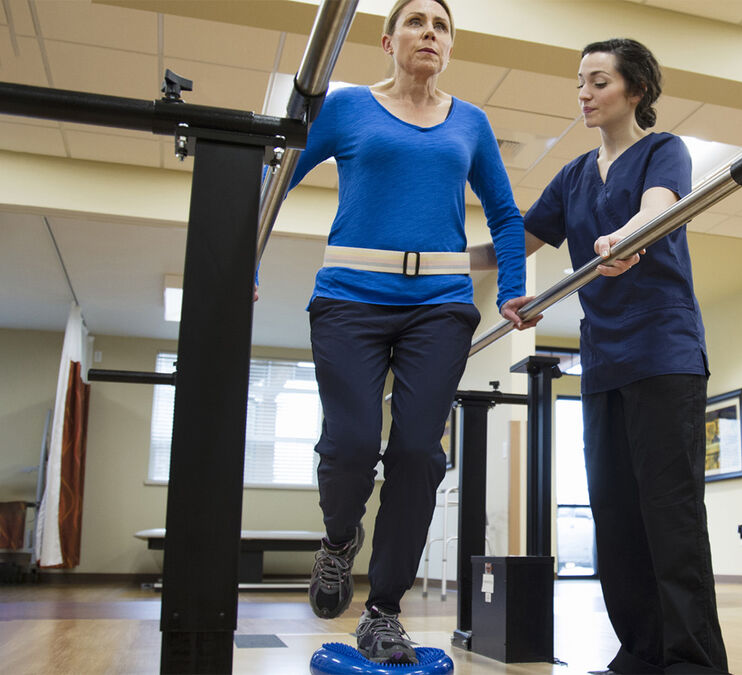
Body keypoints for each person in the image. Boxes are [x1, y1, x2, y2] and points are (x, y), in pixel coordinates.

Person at [281, 0, 536, 664]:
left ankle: (384, 611)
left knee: (420, 453)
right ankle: (339, 541)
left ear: (450, 46)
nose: (431, 32)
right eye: (418, 21)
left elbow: (507, 217)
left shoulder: (471, 123)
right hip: (348, 299)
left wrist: (510, 287)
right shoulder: (346, 109)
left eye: (442, 25)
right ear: (387, 40)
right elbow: (276, 174)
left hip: (439, 305)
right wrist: (243, 252)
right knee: (355, 439)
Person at [482, 38, 729, 674]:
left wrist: (627, 236)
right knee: (614, 515)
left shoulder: (661, 150)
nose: (584, 94)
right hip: (603, 360)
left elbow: (658, 207)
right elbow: (520, 238)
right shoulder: (571, 176)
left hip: (664, 352)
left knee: (669, 517)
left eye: (598, 82)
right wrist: (484, 277)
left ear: (635, 91)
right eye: (581, 83)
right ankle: (641, 652)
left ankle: (693, 663)